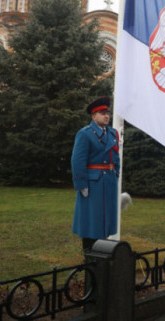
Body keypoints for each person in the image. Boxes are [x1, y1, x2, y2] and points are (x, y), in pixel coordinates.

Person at [71, 96, 121, 250]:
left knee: (106, 220)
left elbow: (116, 158)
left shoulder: (112, 133)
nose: (106, 116)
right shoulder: (85, 134)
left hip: (109, 182)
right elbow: (77, 161)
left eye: (107, 112)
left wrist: (116, 174)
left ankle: (102, 253)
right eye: (102, 113)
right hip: (93, 183)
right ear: (94, 116)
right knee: (91, 221)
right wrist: (81, 184)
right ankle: (90, 255)